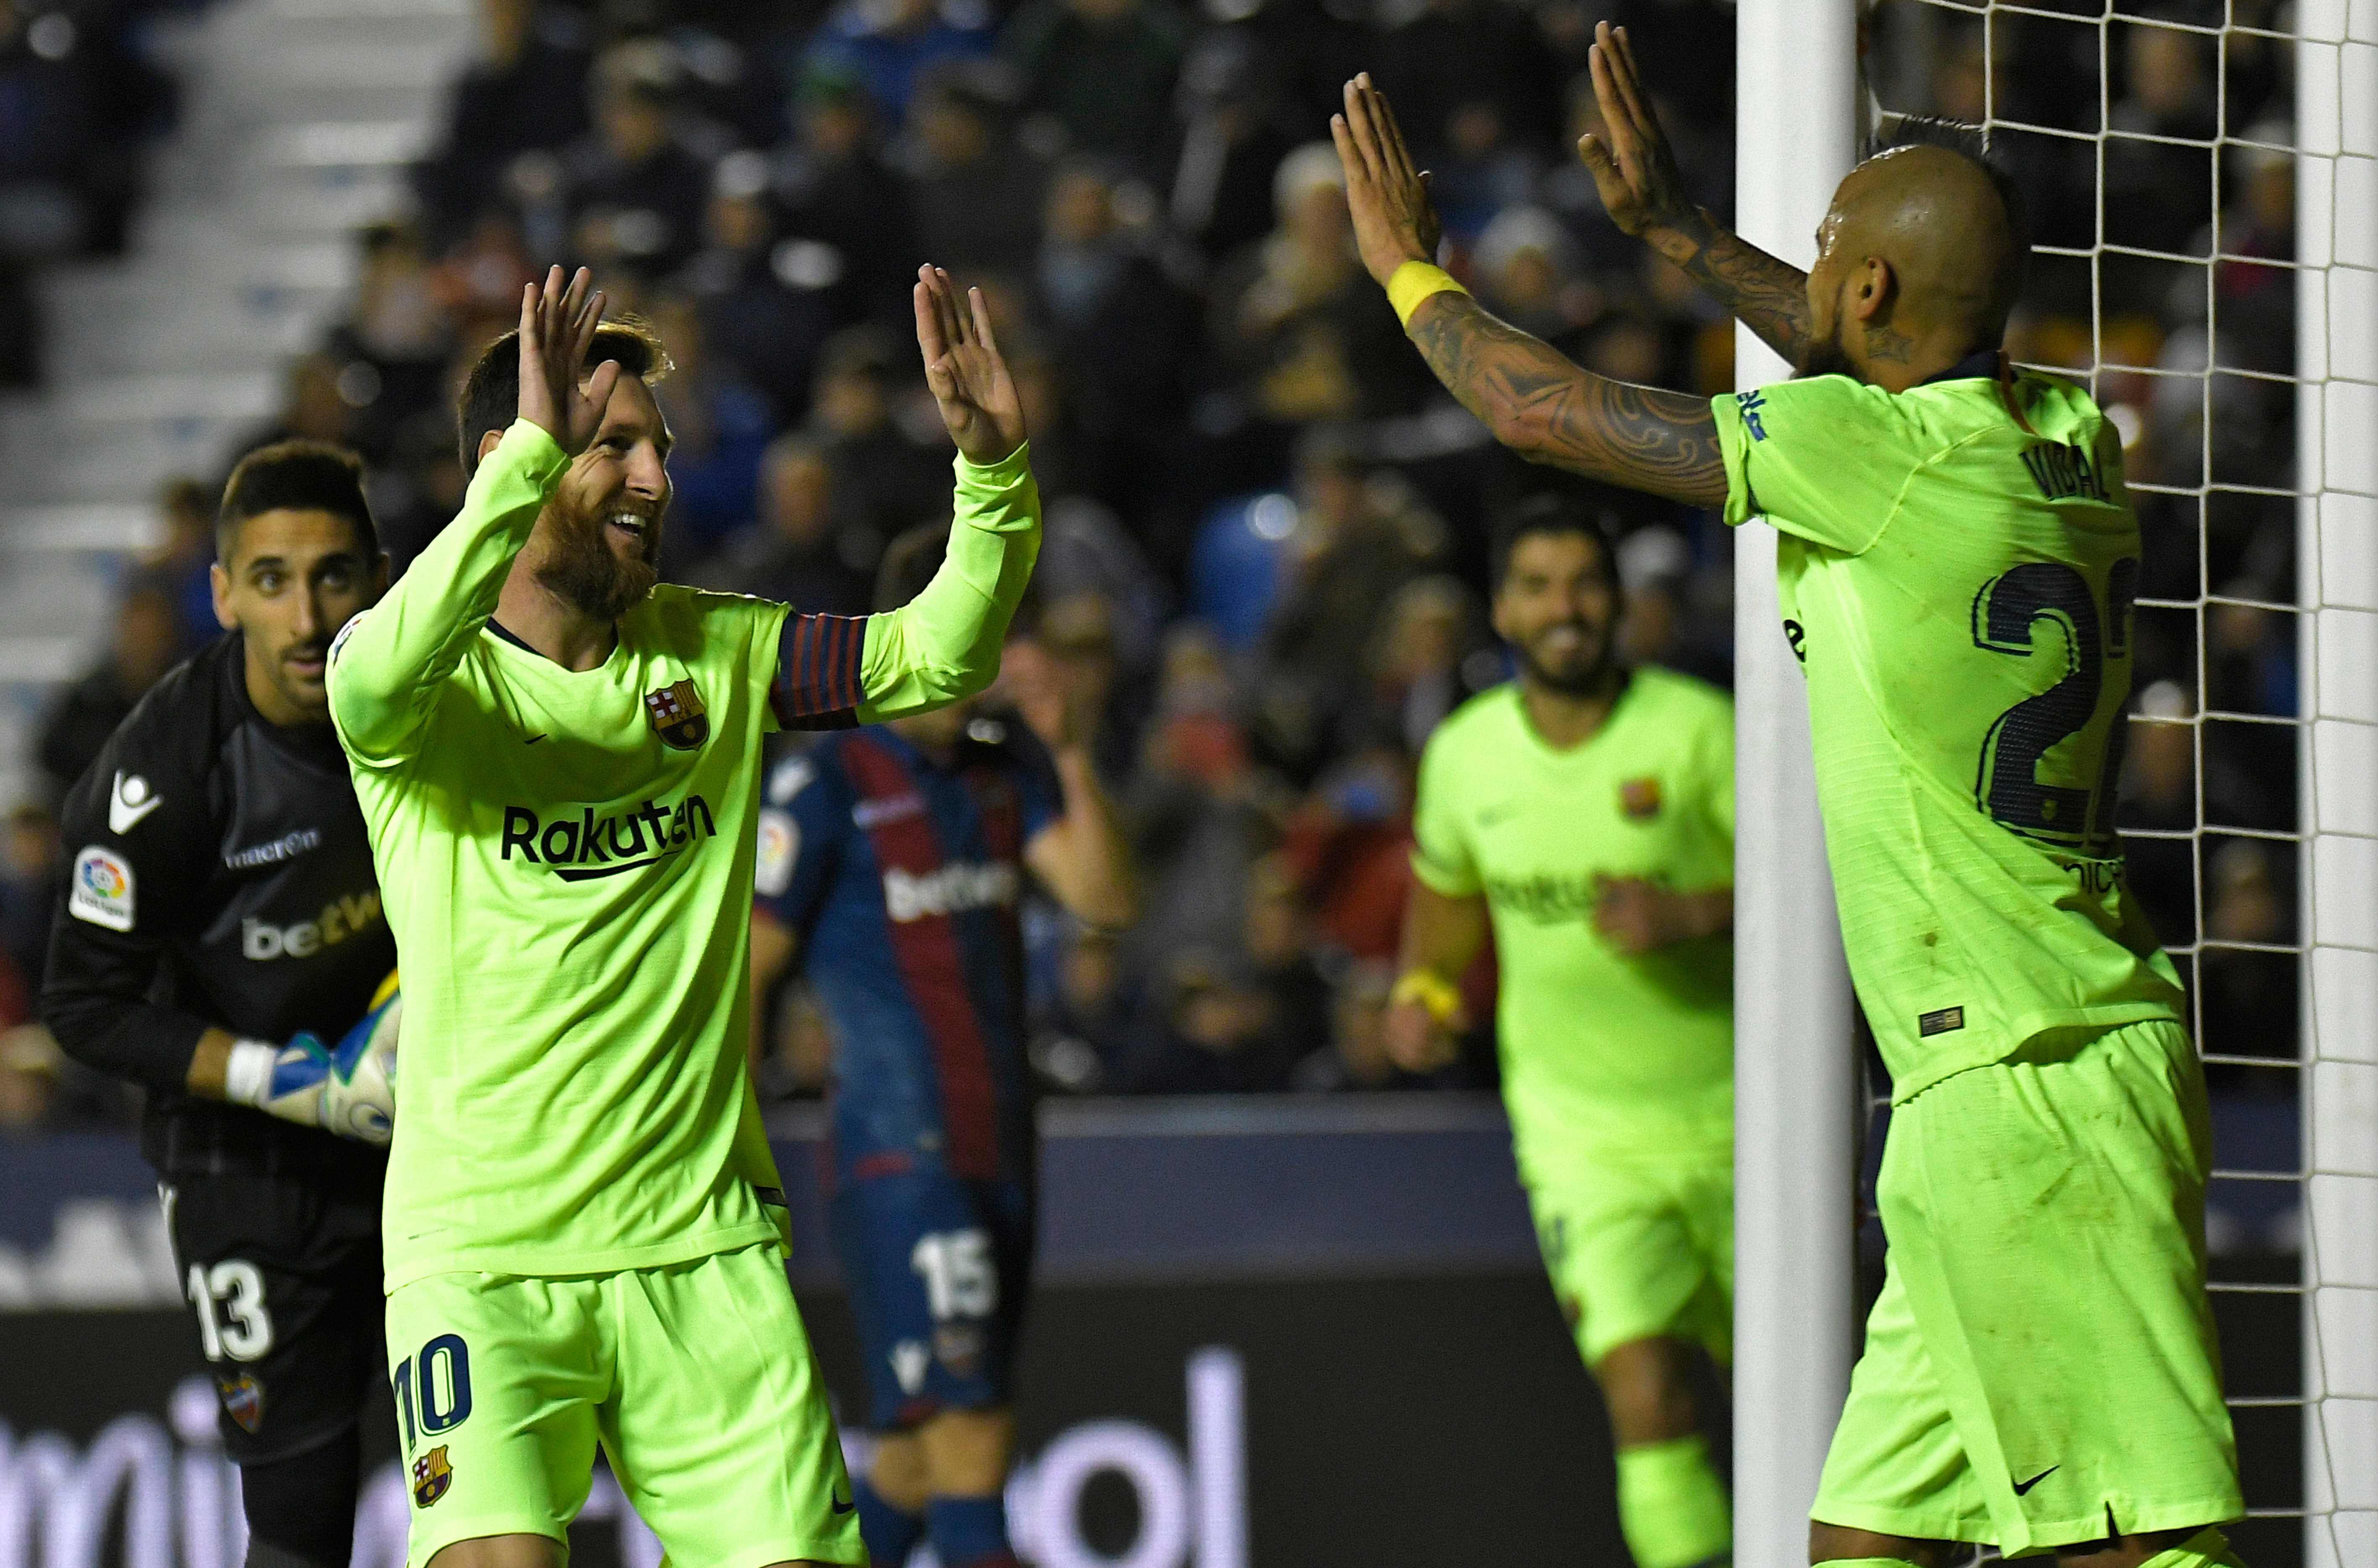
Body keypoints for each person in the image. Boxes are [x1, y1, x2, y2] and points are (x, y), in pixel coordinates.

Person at [1331, 24, 2245, 1568]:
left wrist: (1408, 274)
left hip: (2027, 1078)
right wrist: (1678, 233)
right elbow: (1864, 346)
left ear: (1871, 294)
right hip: (2018, 1066)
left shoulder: (1858, 452)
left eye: (1826, 251)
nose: (1808, 274)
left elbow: (1545, 410)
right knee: (1856, 1539)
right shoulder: (2064, 436)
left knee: (2130, 1543)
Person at [324, 263, 1040, 1568]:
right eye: (611, 448)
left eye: (657, 449)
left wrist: (989, 476)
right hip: (483, 1257)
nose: (653, 480)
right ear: (515, 461)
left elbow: (942, 652)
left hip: (705, 1253)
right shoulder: (418, 696)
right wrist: (526, 464)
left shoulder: (724, 653)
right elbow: (369, 673)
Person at [42, 441, 404, 1568]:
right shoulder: (163, 771)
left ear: (380, 578)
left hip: (421, 1133)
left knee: (489, 1476)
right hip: (243, 1168)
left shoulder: (423, 705)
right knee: (302, 1519)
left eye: (334, 576)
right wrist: (288, 1083)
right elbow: (84, 1002)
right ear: (223, 592)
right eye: (271, 580)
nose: (304, 617)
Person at [748, 533, 1134, 1568]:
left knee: (915, 1466)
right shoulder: (828, 781)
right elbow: (747, 973)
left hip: (1000, 1146)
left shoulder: (1005, 773)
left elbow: (1104, 898)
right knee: (973, 1444)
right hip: (899, 1157)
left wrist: (1072, 749)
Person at [1385, 495, 1734, 1568]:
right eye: (1537, 587)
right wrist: (1418, 995)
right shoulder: (1465, 756)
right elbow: (1444, 910)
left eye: (1583, 584)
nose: (1563, 609)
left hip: (1745, 1124)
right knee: (1642, 1391)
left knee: (1810, 1398)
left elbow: (1817, 889)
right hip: (1580, 1140)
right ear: (1502, 609)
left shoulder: (1695, 731)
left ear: (1620, 602)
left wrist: (1690, 914)